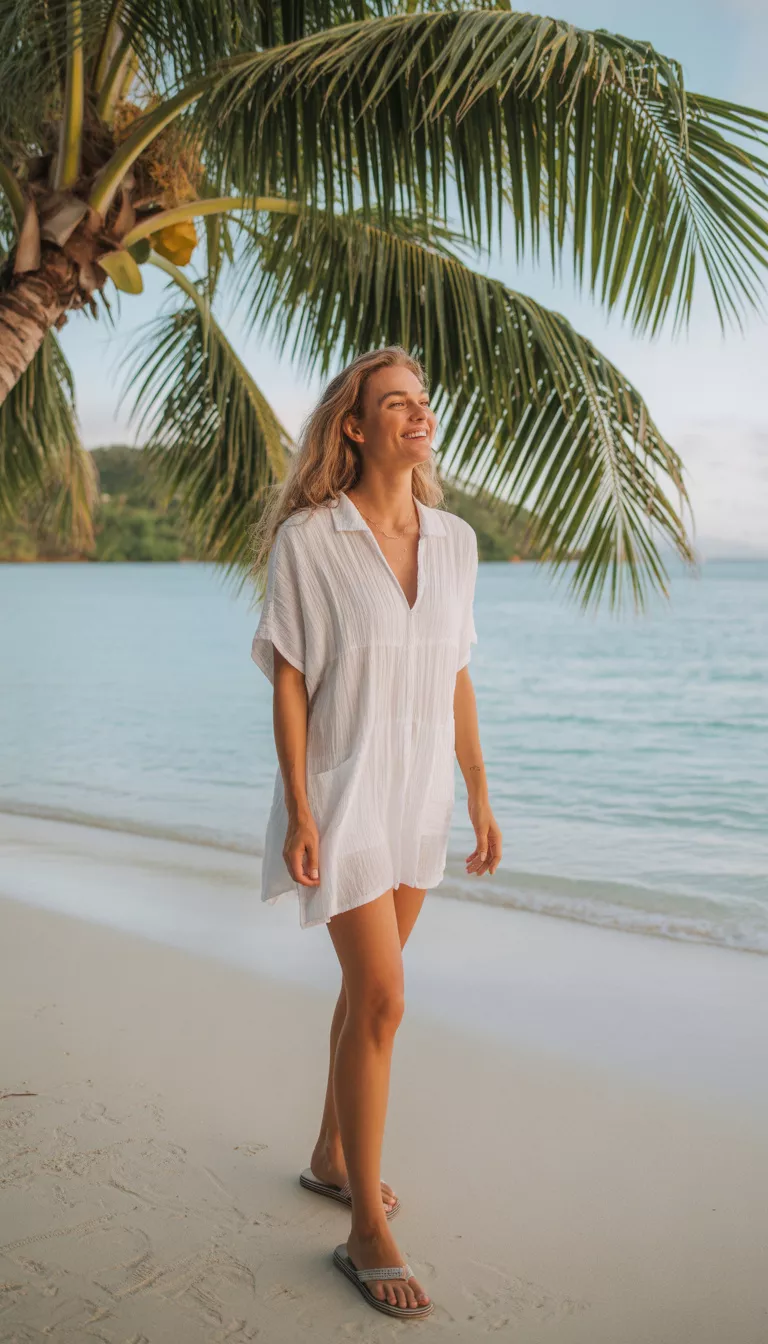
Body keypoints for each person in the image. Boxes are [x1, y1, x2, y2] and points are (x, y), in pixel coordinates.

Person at [250, 345, 502, 1320]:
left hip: (419, 800)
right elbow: (288, 676)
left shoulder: (457, 541)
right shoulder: (311, 540)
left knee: (366, 989)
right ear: (353, 427)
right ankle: (364, 1231)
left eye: (422, 402)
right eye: (395, 403)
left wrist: (478, 792)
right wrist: (301, 810)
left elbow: (457, 673)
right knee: (388, 999)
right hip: (346, 794)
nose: (417, 414)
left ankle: (327, 1158)